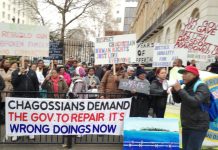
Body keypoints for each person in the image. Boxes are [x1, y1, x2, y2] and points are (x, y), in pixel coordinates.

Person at [172, 66, 210, 150]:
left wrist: (180, 90)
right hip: (187, 125)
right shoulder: (187, 86)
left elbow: (195, 102)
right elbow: (178, 100)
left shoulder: (202, 86)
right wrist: (175, 92)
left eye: (185, 73)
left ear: (194, 75)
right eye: (182, 74)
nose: (183, 76)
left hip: (198, 126)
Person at [11, 58, 39, 141]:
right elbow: (14, 83)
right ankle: (16, 133)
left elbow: (36, 85)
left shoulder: (32, 72)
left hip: (30, 97)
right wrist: (20, 74)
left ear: (28, 63)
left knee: (30, 116)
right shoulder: (15, 72)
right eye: (23, 61)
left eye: (26, 61)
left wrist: (36, 95)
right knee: (18, 116)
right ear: (20, 62)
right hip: (18, 97)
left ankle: (30, 133)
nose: (25, 62)